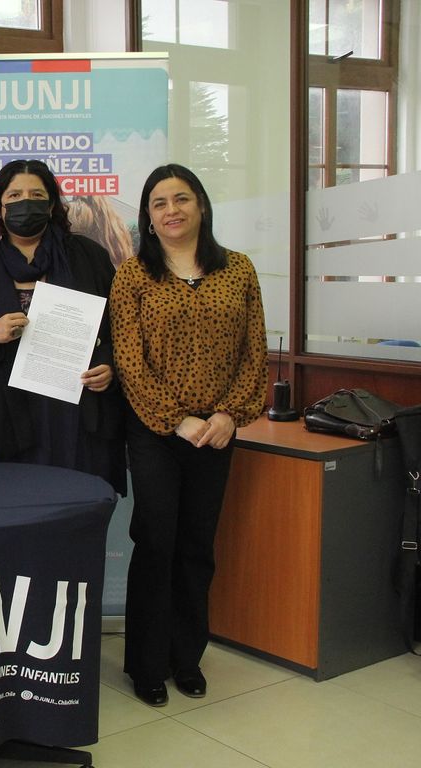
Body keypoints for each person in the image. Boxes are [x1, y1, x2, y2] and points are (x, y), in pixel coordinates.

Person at [110, 163, 267, 708]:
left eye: (182, 199)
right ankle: (147, 664)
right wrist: (178, 419)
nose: (171, 210)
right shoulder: (133, 275)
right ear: (148, 218)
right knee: (156, 542)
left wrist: (228, 416)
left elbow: (255, 353)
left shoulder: (239, 270)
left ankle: (186, 658)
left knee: (198, 547)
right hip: (157, 430)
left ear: (201, 206)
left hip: (218, 432)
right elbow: (129, 360)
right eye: (159, 203)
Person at [0, 159, 126, 494]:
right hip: (17, 420)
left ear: (51, 205)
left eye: (36, 195)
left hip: (81, 415)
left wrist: (107, 364)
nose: (26, 203)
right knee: (24, 516)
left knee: (82, 512)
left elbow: (119, 330)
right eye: (15, 196)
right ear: (0, 207)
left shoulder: (87, 256)